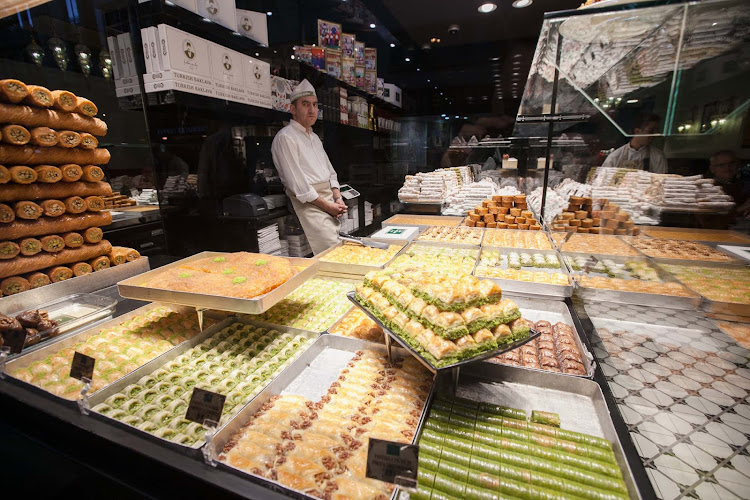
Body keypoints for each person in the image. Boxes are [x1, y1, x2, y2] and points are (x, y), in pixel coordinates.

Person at [271, 79, 346, 254]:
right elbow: (299, 186)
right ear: (293, 109)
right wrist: (329, 207)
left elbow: (330, 172)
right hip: (308, 202)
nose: (312, 110)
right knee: (332, 252)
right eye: (305, 104)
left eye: (314, 104)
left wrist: (337, 197)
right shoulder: (286, 137)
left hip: (328, 198)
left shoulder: (314, 138)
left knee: (338, 248)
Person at [601, 113, 668, 173]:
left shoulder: (658, 157)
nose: (654, 135)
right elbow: (603, 180)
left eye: (656, 131)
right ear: (637, 131)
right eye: (651, 131)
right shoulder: (615, 157)